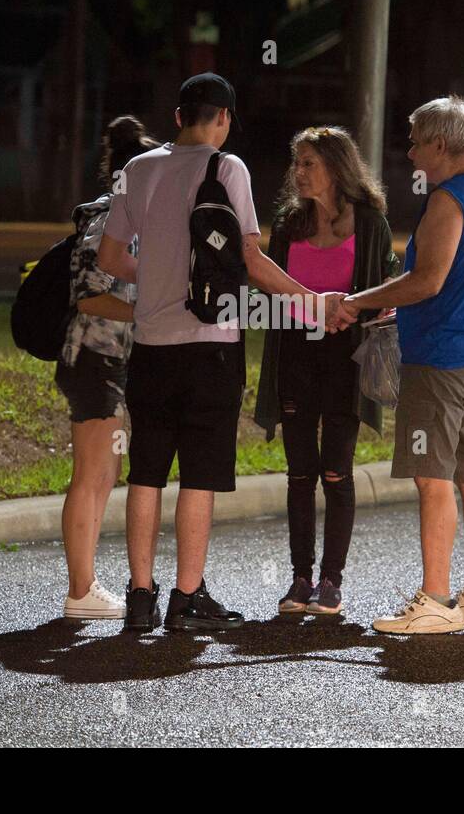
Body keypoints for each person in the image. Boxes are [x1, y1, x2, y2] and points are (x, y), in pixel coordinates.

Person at [98, 73, 327, 632]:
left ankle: (140, 597)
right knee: (199, 474)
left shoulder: (137, 170)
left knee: (147, 473)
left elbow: (109, 257)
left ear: (178, 116)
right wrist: (313, 301)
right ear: (222, 118)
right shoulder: (228, 168)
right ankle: (187, 597)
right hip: (213, 346)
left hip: (151, 346)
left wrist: (154, 275)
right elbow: (250, 259)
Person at [333, 95, 464, 634]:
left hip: (439, 362)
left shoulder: (448, 200)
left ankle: (435, 600)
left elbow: (428, 280)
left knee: (432, 480)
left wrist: (359, 300)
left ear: (440, 144)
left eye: (415, 142)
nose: (410, 153)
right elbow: (459, 281)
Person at [253, 126, 400, 616]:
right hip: (296, 355)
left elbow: (386, 287)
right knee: (300, 474)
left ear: (337, 167)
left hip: (346, 360)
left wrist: (356, 312)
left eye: (308, 162)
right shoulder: (289, 223)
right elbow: (267, 290)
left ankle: (332, 582)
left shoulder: (371, 222)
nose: (298, 172)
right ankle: (300, 579)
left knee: (336, 471)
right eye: (296, 162)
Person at [56, 116, 159, 619]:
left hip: (111, 361)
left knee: (102, 473)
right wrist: (151, 311)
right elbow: (89, 299)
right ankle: (81, 590)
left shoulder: (132, 221)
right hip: (93, 358)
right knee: (92, 475)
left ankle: (86, 586)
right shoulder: (104, 223)